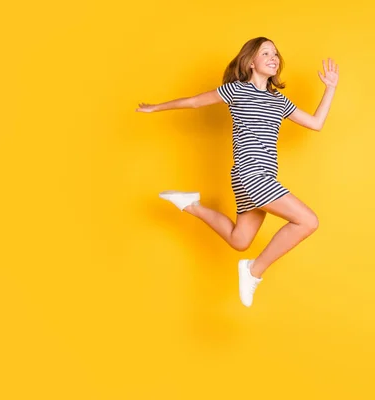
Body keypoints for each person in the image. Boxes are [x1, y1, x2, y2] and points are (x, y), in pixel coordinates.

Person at [136, 37, 339, 307]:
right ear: (251, 62)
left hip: (260, 177)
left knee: (240, 239)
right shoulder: (236, 90)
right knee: (308, 221)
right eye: (265, 52)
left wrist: (330, 89)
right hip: (251, 174)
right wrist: (156, 107)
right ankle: (253, 271)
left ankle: (191, 205)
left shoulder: (280, 101)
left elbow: (315, 124)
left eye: (276, 54)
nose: (273, 57)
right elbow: (196, 102)